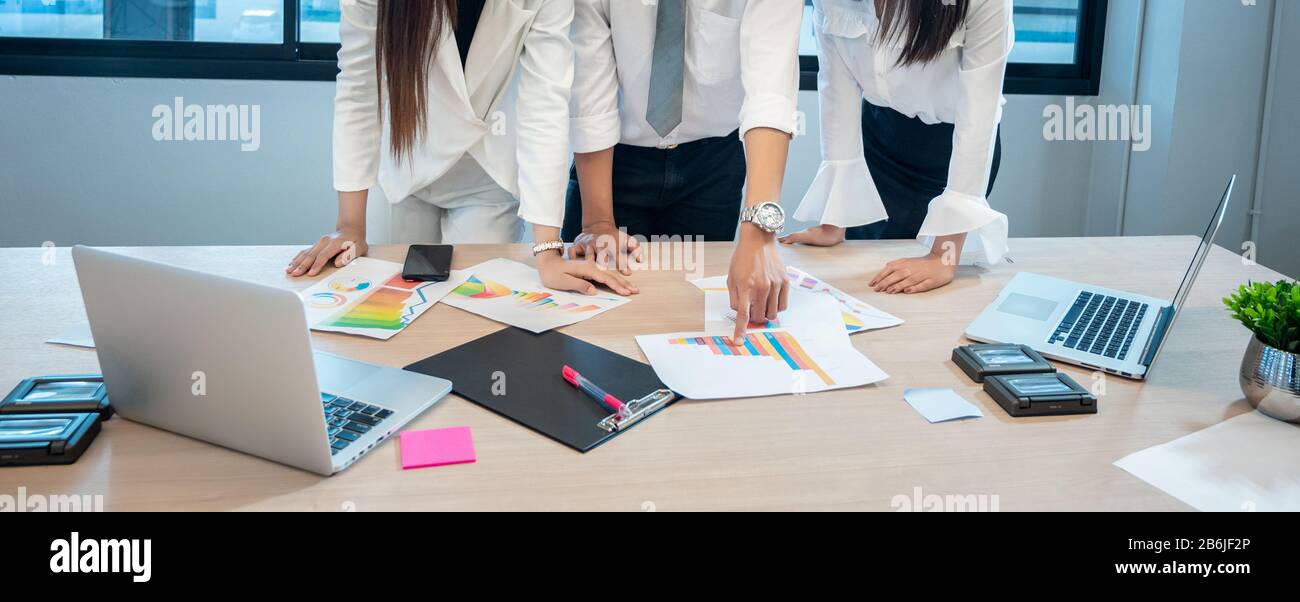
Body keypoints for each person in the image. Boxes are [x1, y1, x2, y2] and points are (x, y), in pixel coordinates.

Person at [288, 0, 634, 296]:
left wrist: (547, 250)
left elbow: (545, 106)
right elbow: (359, 89)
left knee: (477, 316)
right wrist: (350, 225)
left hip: (487, 176)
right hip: (403, 169)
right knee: (387, 306)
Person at [566, 0, 804, 341]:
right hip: (611, 162)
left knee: (693, 322)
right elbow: (589, 89)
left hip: (712, 166)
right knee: (590, 323)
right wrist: (598, 222)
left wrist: (759, 232)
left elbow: (771, 89)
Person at [781, 0, 1012, 295]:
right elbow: (836, 88)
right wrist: (835, 219)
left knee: (928, 290)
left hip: (952, 151)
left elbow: (980, 113)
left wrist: (944, 256)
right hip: (879, 135)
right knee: (864, 276)